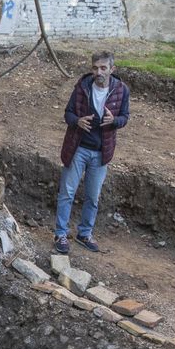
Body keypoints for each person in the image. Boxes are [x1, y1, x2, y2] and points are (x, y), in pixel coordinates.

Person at [53, 50, 130, 254]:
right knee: (67, 193)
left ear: (112, 69)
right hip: (78, 149)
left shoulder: (121, 90)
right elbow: (68, 113)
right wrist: (77, 121)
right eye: (95, 68)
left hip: (101, 152)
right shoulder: (82, 87)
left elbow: (125, 117)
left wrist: (114, 121)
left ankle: (84, 234)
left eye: (103, 68)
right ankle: (60, 234)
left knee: (93, 197)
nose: (99, 72)